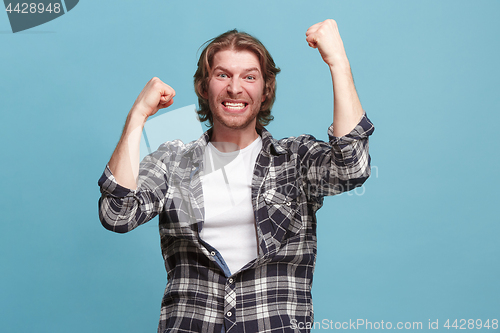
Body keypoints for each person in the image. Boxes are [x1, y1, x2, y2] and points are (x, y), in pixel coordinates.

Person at [98, 19, 374, 333]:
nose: (234, 88)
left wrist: (337, 61)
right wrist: (137, 117)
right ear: (204, 86)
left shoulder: (295, 159)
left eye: (249, 77)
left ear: (265, 89)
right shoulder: (172, 159)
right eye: (223, 75)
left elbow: (351, 168)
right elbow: (116, 214)